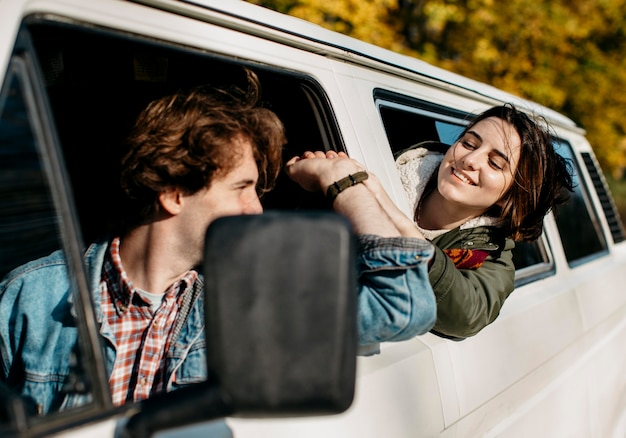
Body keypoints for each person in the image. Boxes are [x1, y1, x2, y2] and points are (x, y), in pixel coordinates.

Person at [0, 69, 435, 415]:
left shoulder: (245, 304)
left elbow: (405, 305)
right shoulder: (31, 297)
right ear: (173, 193)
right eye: (241, 187)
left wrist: (346, 184)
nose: (256, 210)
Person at [286, 104, 573, 341]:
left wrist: (366, 191)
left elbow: (467, 315)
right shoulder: (380, 163)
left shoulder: (493, 260)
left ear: (512, 195)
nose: (470, 159)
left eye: (496, 163)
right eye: (468, 143)